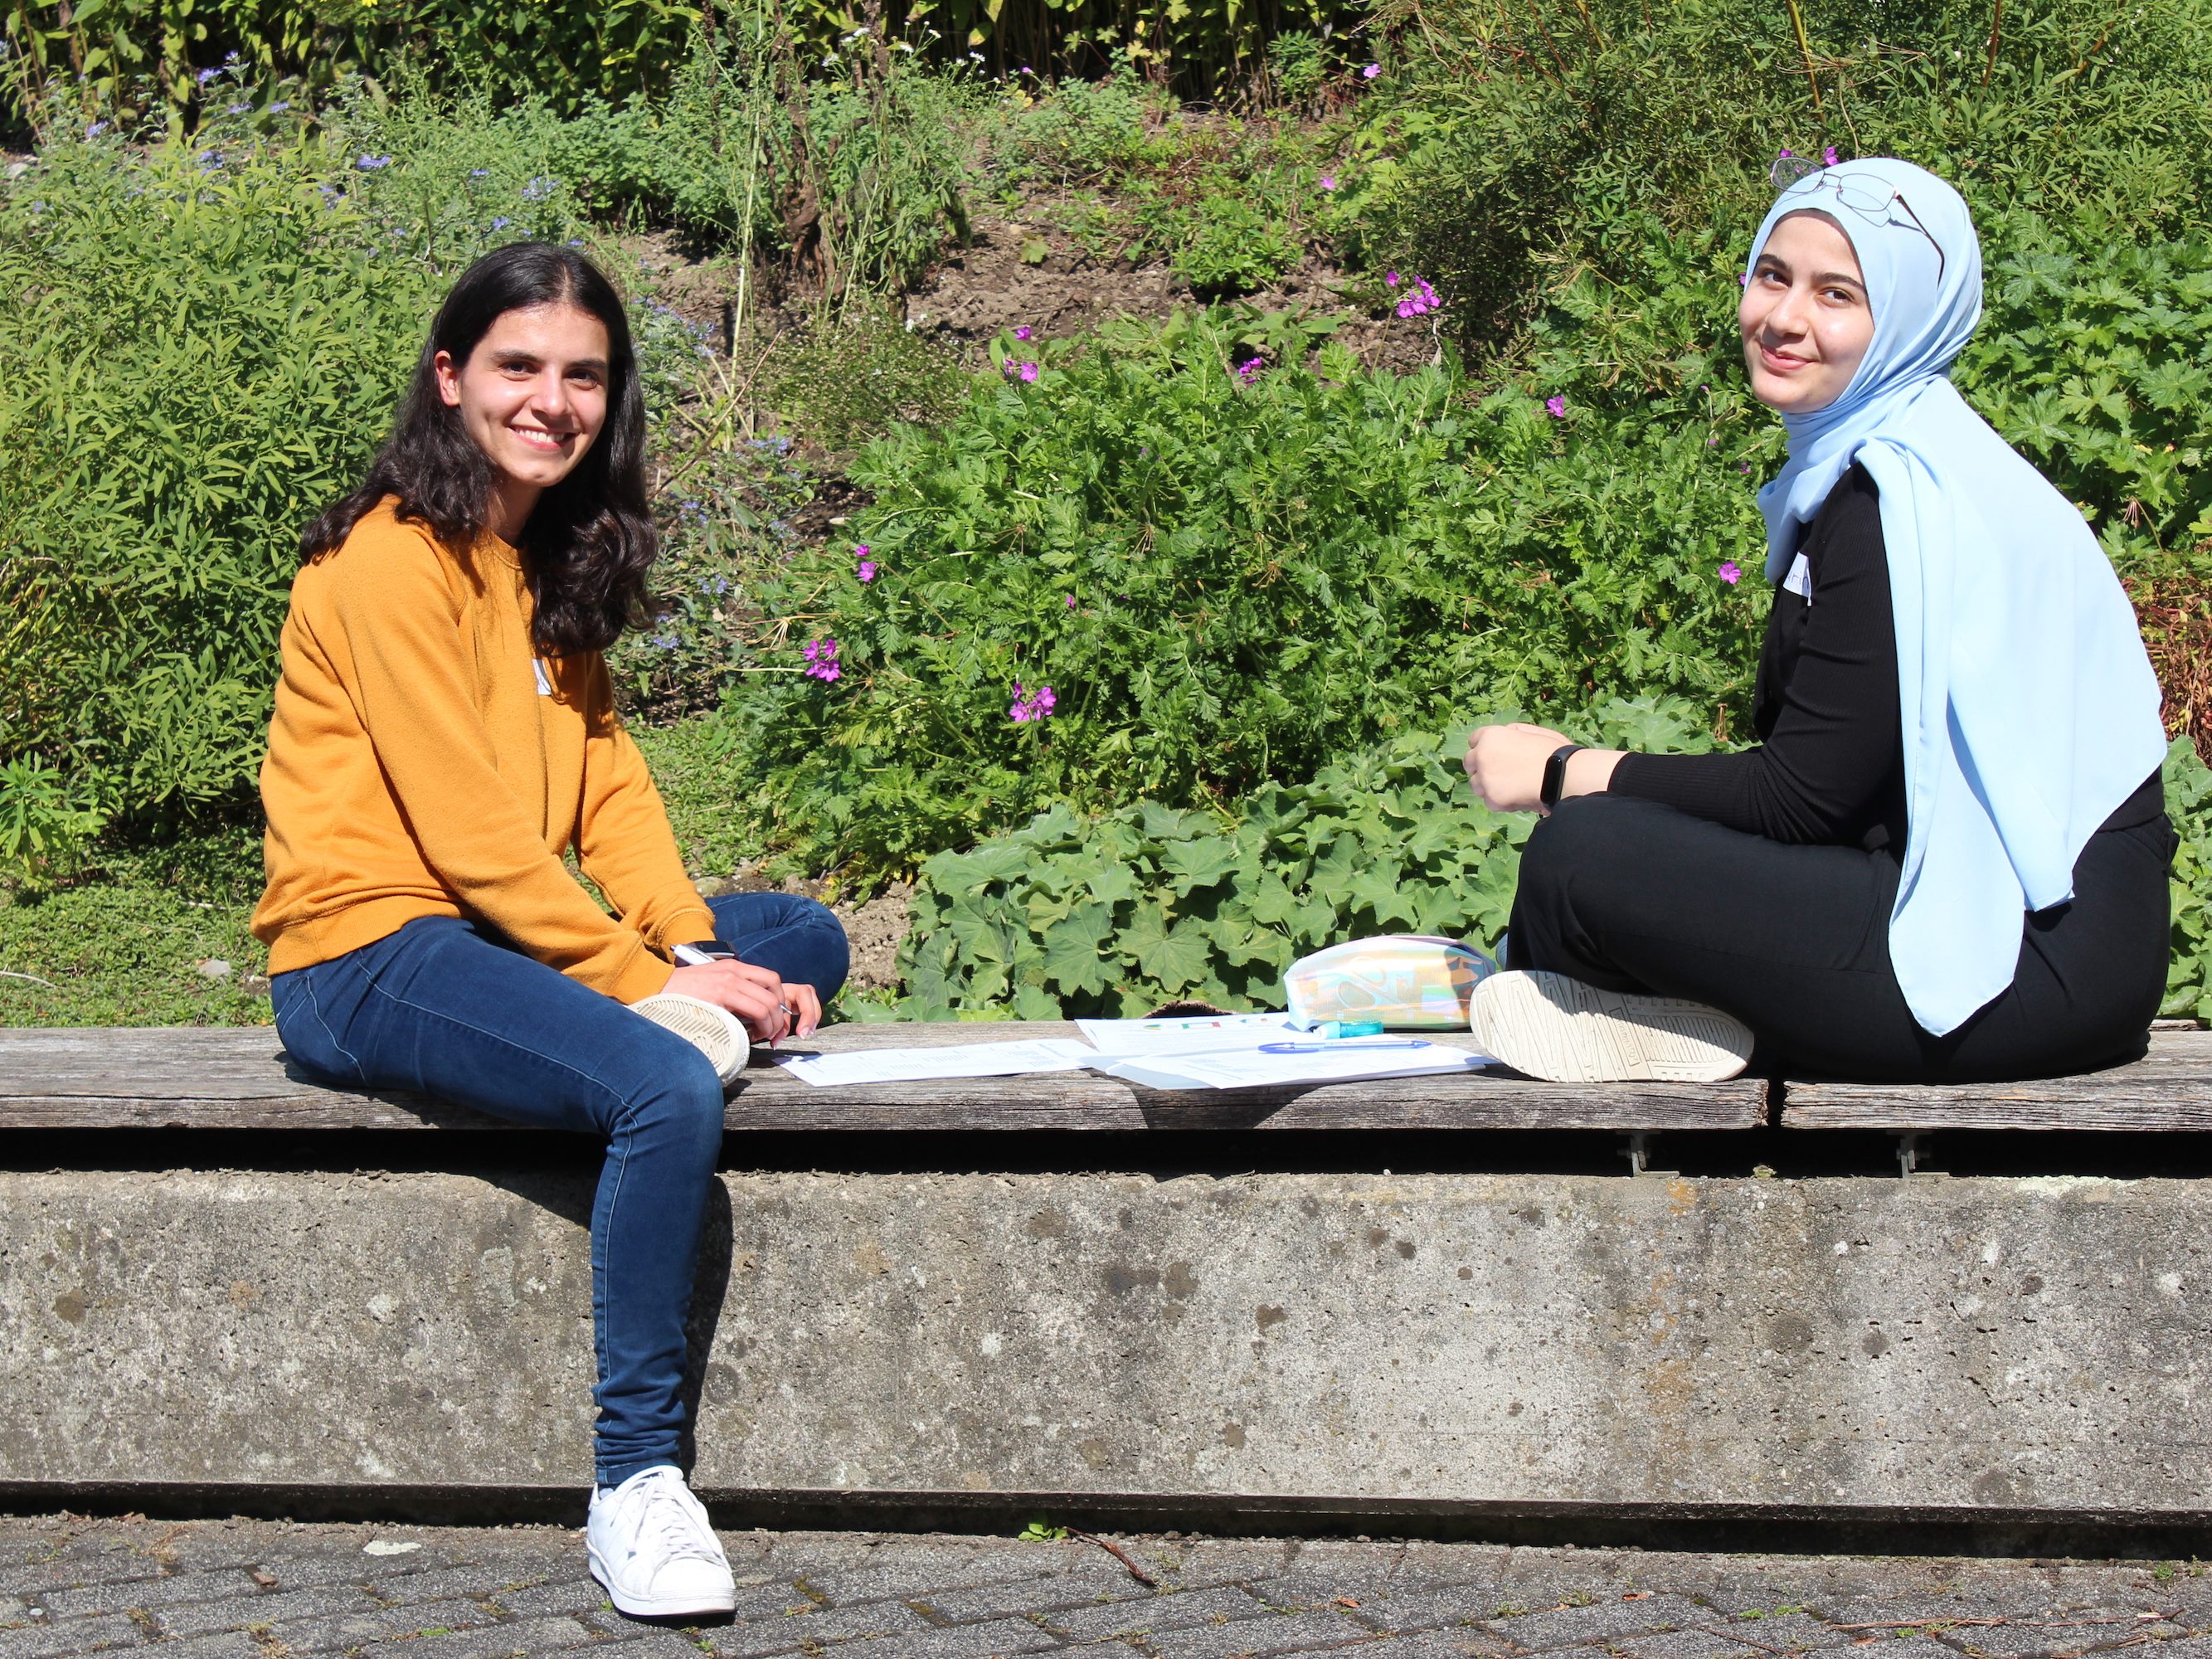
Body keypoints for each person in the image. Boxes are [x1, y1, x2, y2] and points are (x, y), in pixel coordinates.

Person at [251, 241, 848, 1617]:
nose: (552, 399)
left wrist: (687, 944)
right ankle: (636, 1483)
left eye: (583, 374)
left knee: (798, 934)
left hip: (498, 937)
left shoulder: (544, 561)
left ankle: (684, 1011)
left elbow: (610, 785)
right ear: (453, 377)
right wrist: (642, 986)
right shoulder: (392, 559)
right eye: (519, 366)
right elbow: (464, 837)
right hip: (366, 953)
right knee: (658, 1081)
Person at [1462, 157, 2174, 1086]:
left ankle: (1664, 1017)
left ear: (1911, 319)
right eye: (1773, 274)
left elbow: (1802, 798)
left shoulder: (1895, 503)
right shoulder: (1907, 458)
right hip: (2014, 937)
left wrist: (1565, 771)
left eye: (1838, 294)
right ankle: (1659, 1017)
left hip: (2029, 969)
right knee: (1599, 858)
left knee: (1582, 854)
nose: (1785, 318)